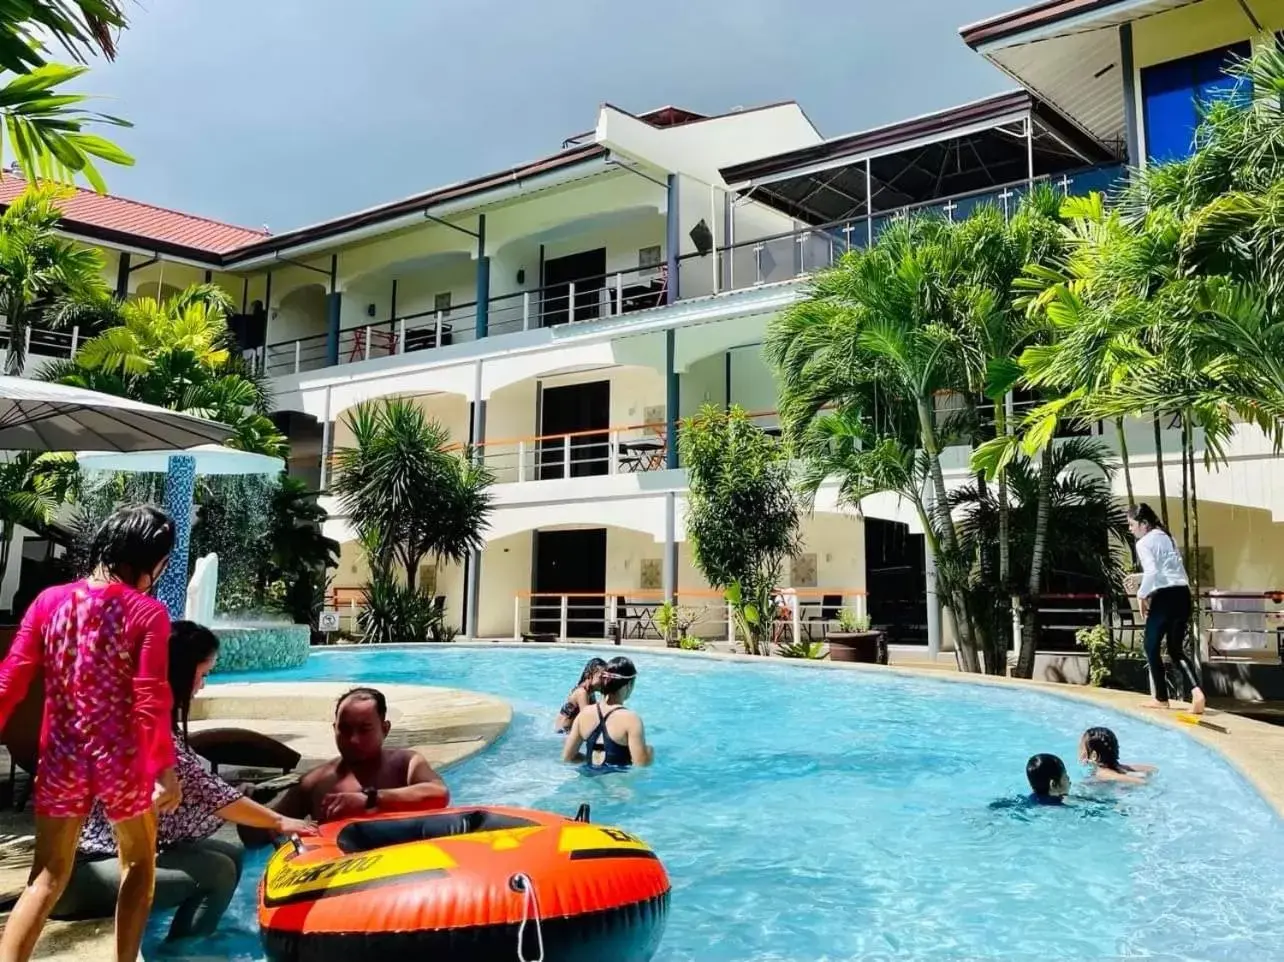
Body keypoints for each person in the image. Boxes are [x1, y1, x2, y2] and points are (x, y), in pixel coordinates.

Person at [51, 621, 316, 941]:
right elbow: (207, 791)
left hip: (118, 852)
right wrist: (279, 820)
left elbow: (199, 784)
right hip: (84, 871)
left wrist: (241, 797)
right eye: (202, 674)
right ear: (178, 671)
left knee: (230, 854)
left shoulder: (147, 714)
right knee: (218, 872)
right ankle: (183, 953)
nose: (202, 686)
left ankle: (193, 938)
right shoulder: (141, 724)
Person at [0, 505, 181, 962]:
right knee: (139, 865)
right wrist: (164, 768)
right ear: (152, 561)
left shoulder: (49, 602)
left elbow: (11, 679)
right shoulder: (147, 612)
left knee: (46, 877)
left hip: (61, 757)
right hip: (123, 759)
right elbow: (149, 698)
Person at [245, 687, 449, 840]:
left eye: (364, 729)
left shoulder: (407, 764)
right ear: (334, 729)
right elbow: (259, 838)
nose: (353, 739)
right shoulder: (315, 782)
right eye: (345, 729)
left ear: (385, 729)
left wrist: (371, 799)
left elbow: (439, 794)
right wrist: (246, 805)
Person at [1128, 503, 1207, 714]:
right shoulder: (1166, 536)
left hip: (1164, 599)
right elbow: (1169, 571)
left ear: (1144, 524)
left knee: (1150, 646)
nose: (1130, 529)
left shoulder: (1144, 543)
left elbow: (1153, 572)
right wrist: (1141, 579)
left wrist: (1141, 594)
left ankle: (1162, 698)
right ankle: (1197, 692)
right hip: (1182, 595)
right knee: (1175, 650)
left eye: (1132, 524)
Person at [562, 657, 653, 770]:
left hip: (588, 780)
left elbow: (567, 758)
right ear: (629, 685)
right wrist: (649, 752)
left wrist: (594, 762)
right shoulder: (631, 719)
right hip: (617, 785)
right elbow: (641, 765)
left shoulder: (584, 714)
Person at [1079, 726, 1156, 786]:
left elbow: (1142, 782)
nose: (1080, 752)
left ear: (1094, 756)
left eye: (1081, 748)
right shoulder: (1120, 768)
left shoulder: (1103, 774)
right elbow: (1153, 769)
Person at [554, 657, 605, 733]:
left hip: (566, 732)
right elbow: (587, 719)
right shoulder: (582, 693)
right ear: (589, 675)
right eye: (601, 677)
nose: (604, 681)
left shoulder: (589, 692)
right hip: (562, 733)